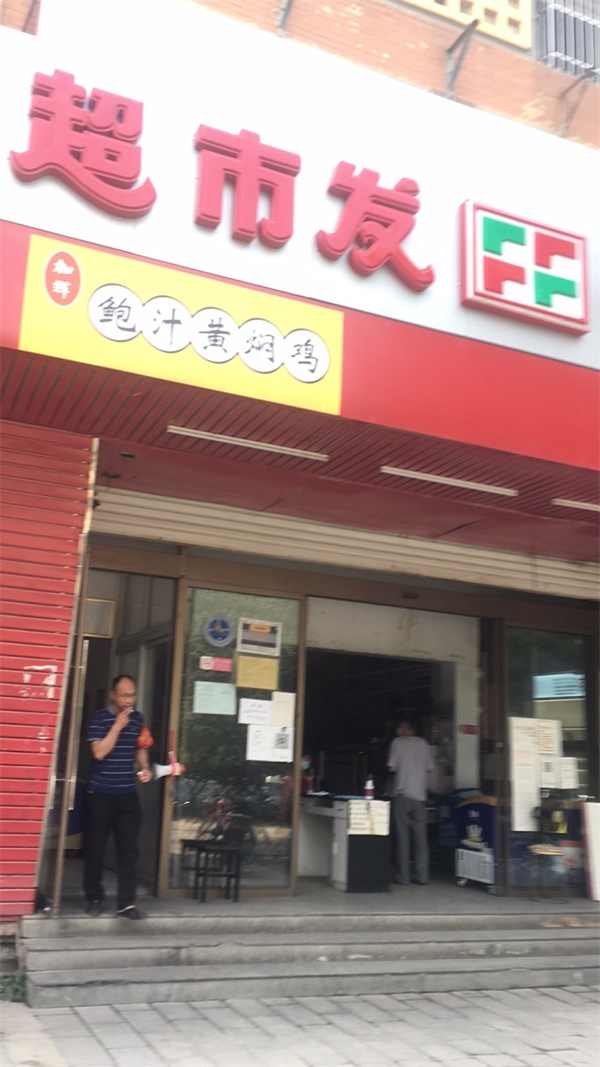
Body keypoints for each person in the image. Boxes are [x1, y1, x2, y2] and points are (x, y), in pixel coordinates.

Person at [83, 674, 153, 919]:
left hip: (127, 794)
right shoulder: (99, 718)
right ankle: (94, 897)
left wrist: (144, 768)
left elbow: (141, 746)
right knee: (95, 849)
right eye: (124, 695)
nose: (128, 700)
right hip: (100, 793)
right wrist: (117, 726)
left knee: (128, 851)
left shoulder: (138, 719)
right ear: (113, 695)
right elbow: (99, 752)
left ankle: (126, 903)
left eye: (132, 695)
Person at [386, 715, 433, 886]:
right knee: (421, 838)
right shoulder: (423, 743)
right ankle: (422, 876)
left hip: (403, 794)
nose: (396, 731)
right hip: (420, 796)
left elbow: (392, 767)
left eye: (399, 727)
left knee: (403, 837)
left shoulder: (397, 743)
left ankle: (403, 876)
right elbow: (430, 768)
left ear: (405, 727)